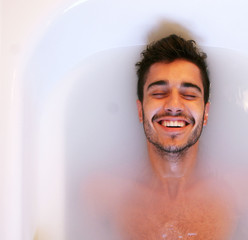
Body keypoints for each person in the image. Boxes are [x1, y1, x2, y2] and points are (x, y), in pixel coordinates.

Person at [83, 34, 237, 240]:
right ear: (140, 110)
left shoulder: (240, 193)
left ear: (206, 113)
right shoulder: (103, 195)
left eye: (189, 95)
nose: (174, 105)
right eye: (158, 93)